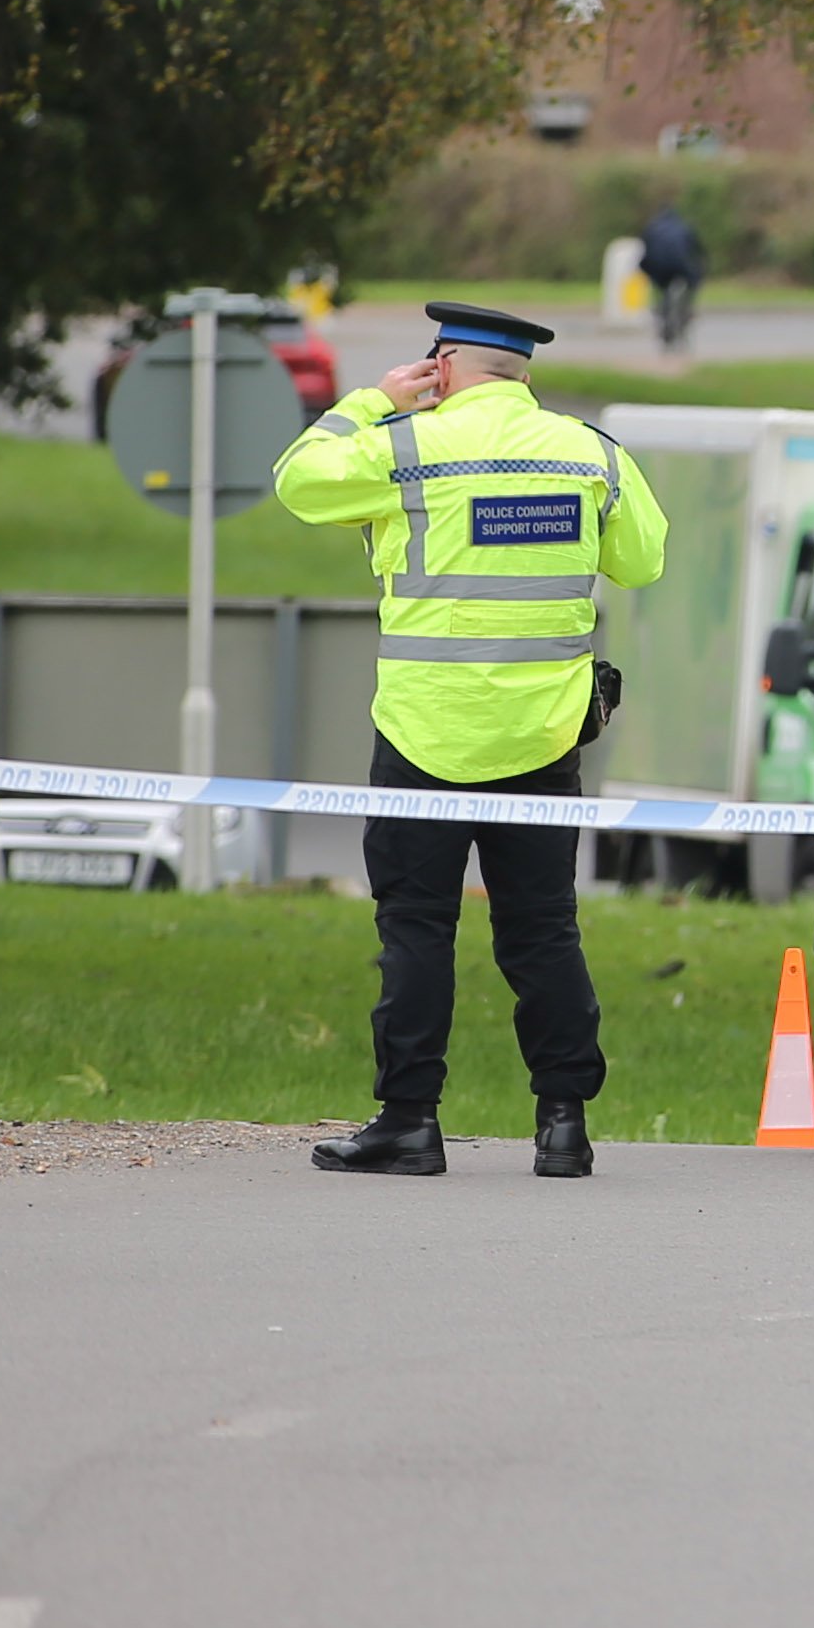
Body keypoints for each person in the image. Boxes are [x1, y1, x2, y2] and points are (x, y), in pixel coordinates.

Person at [270, 303, 669, 1176]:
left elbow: (299, 481)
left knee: (416, 929)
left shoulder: (405, 447)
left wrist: (369, 403)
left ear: (442, 367)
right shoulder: (592, 454)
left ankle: (409, 1120)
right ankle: (564, 1124)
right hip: (541, 737)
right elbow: (643, 562)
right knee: (543, 932)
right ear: (522, 373)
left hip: (423, 735)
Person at [636, 198, 706, 351]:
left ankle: (662, 312)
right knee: (691, 285)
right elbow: (697, 249)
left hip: (658, 267)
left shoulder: (652, 227)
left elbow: (644, 249)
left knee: (660, 289)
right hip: (681, 266)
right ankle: (685, 313)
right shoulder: (684, 226)